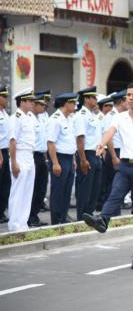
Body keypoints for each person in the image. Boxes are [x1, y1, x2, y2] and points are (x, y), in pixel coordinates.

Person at [83, 82, 133, 270]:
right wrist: (102, 144)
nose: (130, 98)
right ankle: (103, 220)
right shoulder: (119, 117)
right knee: (116, 192)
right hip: (125, 165)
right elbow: (109, 132)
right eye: (128, 95)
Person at [7, 88, 37, 232]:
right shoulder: (16, 118)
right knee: (17, 192)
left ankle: (23, 223)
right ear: (22, 102)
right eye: (30, 101)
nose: (32, 103)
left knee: (27, 192)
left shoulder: (30, 117)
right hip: (19, 156)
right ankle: (14, 225)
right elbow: (12, 142)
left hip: (29, 156)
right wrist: (13, 163)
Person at [47, 93, 78, 225]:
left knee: (67, 190)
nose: (75, 105)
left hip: (69, 158)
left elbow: (70, 141)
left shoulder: (69, 118)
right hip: (59, 158)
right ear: (66, 104)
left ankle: (63, 216)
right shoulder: (56, 119)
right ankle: (56, 220)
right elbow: (51, 143)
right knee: (58, 190)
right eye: (73, 103)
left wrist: (74, 159)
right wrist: (55, 163)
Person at [73, 87, 103, 221]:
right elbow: (80, 139)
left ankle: (89, 214)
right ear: (86, 99)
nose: (96, 100)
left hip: (96, 154)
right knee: (85, 187)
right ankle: (82, 217)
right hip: (87, 154)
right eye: (94, 97)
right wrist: (83, 160)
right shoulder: (81, 116)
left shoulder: (93, 115)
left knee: (95, 187)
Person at [28, 95, 49, 227]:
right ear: (34, 105)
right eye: (41, 105)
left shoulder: (41, 118)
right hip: (33, 155)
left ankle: (34, 215)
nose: (44, 107)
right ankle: (30, 216)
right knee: (33, 189)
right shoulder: (29, 119)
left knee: (41, 188)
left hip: (42, 155)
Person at [0, 86, 10, 223]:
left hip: (5, 151)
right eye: (4, 96)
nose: (6, 99)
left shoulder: (5, 113)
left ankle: (1, 211)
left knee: (5, 183)